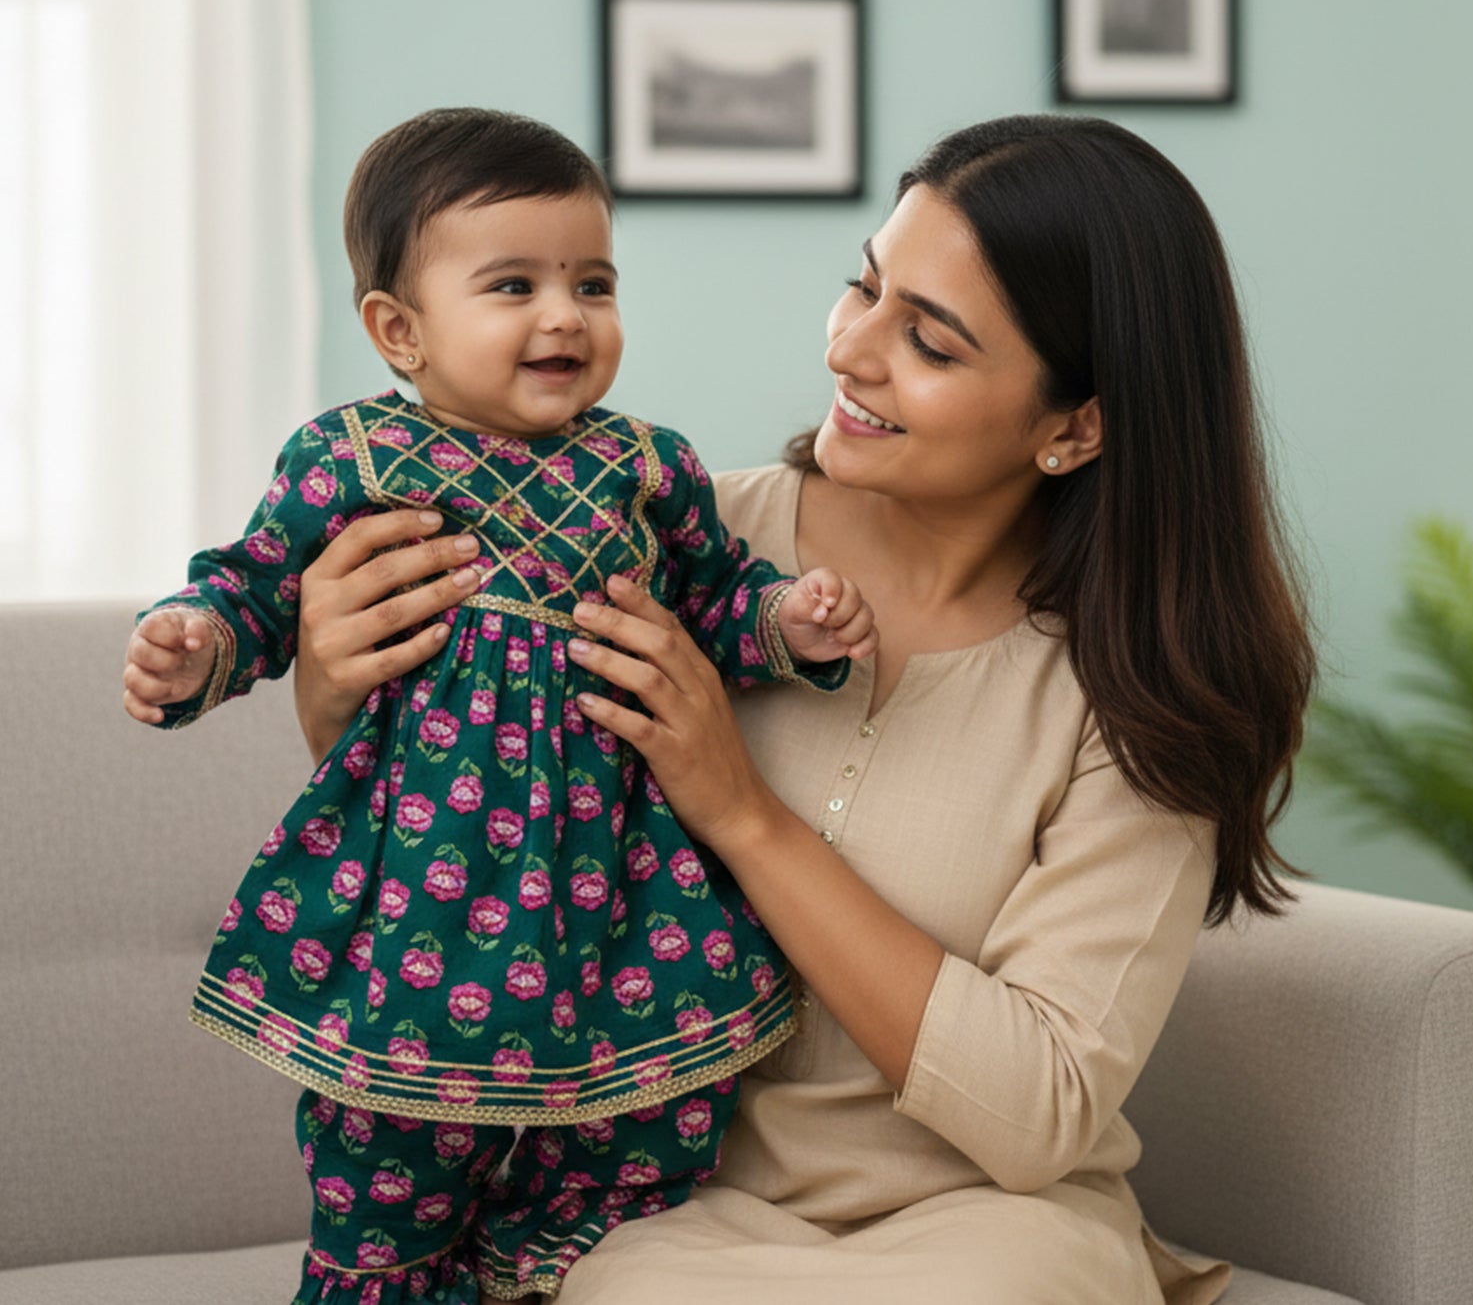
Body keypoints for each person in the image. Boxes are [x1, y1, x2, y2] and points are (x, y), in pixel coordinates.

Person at [283, 114, 1316, 1305]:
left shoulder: (1144, 696)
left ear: (1073, 425)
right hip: (656, 1203)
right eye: (864, 287)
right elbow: (450, 826)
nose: (855, 351)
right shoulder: (658, 541)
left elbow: (1039, 1115)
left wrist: (742, 812)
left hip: (989, 1227)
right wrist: (333, 683)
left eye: (928, 340)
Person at [121, 108, 877, 1305]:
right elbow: (261, 584)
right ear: (399, 329)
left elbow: (719, 598)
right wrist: (199, 641)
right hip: (423, 887)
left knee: (655, 1129)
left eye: (593, 280)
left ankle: (540, 1271)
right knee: (390, 1160)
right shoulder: (353, 458)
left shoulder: (647, 466)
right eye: (513, 284)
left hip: (623, 882)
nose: (565, 314)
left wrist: (789, 622)